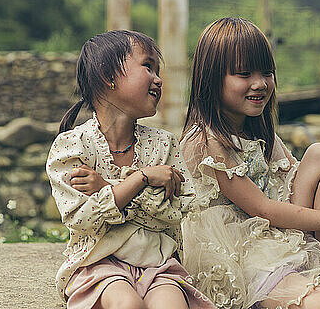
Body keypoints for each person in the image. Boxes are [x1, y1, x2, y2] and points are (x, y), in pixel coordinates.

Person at [180, 17, 320, 309]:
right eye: (244, 74)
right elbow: (263, 208)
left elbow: (304, 185)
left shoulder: (258, 132)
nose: (259, 84)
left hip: (275, 234)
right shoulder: (207, 141)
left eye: (267, 72)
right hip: (240, 253)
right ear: (211, 78)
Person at [46, 30, 214, 309]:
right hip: (98, 264)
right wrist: (141, 179)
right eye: (147, 66)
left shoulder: (164, 144)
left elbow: (176, 212)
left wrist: (106, 188)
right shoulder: (72, 147)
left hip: (158, 265)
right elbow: (83, 219)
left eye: (158, 71)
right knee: (128, 305)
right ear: (107, 77)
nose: (158, 79)